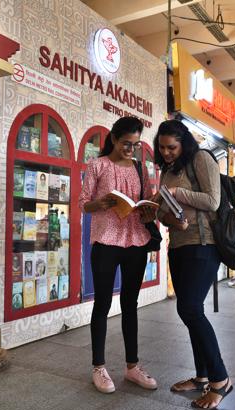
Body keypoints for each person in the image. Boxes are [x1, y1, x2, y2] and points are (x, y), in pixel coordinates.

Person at [155, 119, 232, 410]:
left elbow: (212, 201)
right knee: (188, 311)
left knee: (190, 309)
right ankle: (201, 377)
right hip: (178, 245)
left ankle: (220, 379)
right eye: (162, 147)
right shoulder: (167, 170)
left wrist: (176, 194)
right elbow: (165, 213)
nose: (166, 152)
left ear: (184, 143)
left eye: (172, 147)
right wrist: (163, 212)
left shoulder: (202, 158)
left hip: (204, 244)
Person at [79, 116, 157, 394]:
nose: (131, 149)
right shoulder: (97, 165)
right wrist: (98, 203)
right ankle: (98, 367)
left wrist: (149, 209)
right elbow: (83, 204)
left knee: (130, 305)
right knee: (101, 304)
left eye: (135, 145)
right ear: (113, 138)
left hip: (135, 241)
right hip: (106, 242)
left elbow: (147, 198)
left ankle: (132, 366)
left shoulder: (139, 168)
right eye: (126, 143)